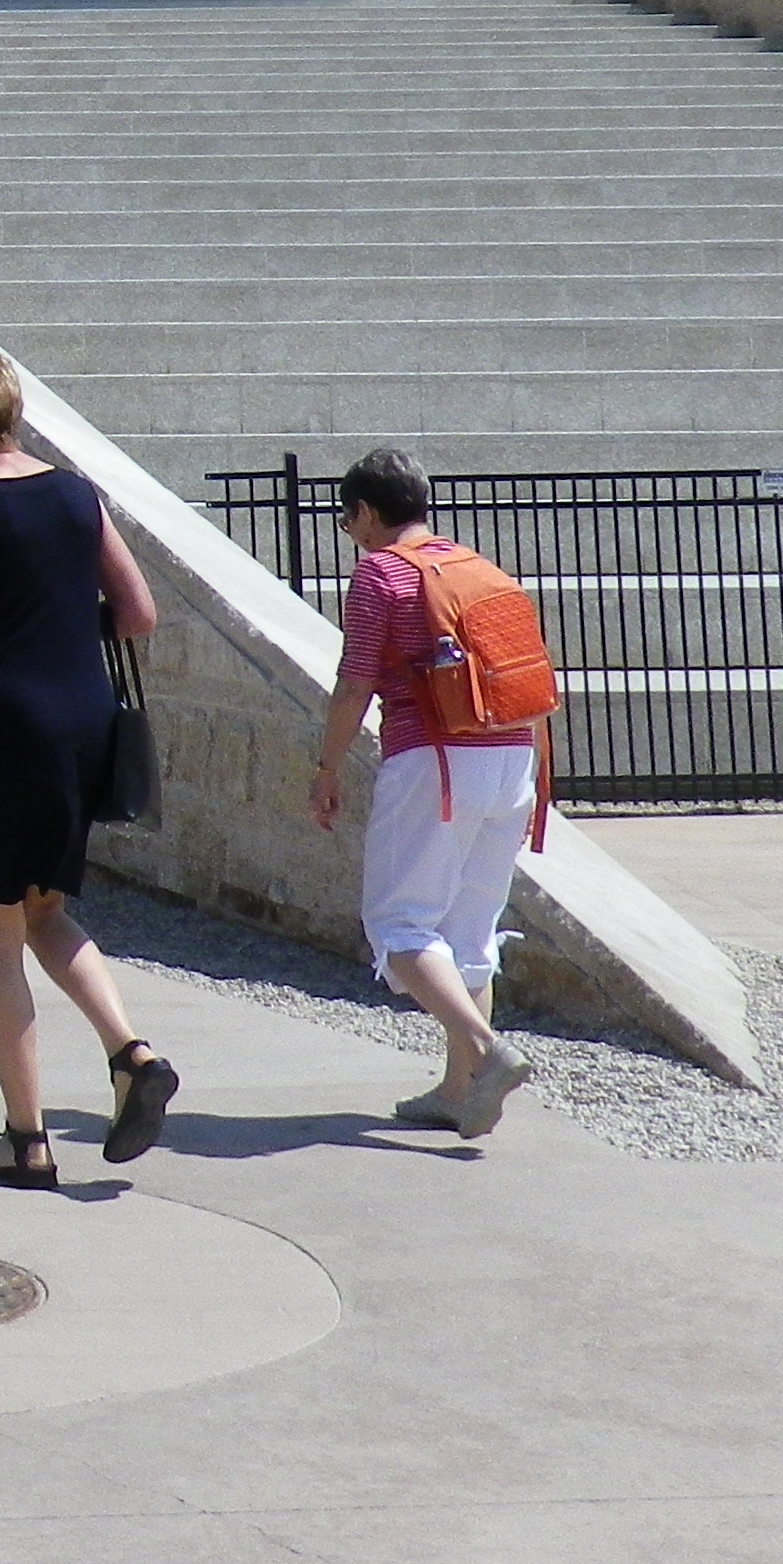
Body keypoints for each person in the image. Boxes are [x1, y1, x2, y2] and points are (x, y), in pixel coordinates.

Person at [0, 346, 179, 1187]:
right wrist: (61, 620)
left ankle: (25, 1139)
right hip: (79, 722)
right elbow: (137, 613)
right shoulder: (74, 492)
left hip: (2, 728)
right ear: (14, 414)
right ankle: (131, 1054)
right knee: (44, 908)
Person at [310, 446, 544, 1137]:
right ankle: (458, 1090)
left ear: (369, 511)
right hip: (513, 756)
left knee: (399, 926)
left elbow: (355, 682)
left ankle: (487, 1051)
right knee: (470, 928)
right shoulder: (477, 567)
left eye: (346, 516)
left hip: (434, 759)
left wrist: (326, 770)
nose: (348, 530)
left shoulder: (380, 574)